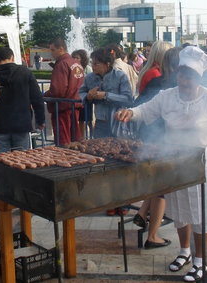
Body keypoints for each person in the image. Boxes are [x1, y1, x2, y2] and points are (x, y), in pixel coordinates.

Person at [115, 46, 207, 282]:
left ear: (198, 78)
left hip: (203, 162)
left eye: (189, 76)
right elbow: (144, 110)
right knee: (180, 210)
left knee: (202, 213)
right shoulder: (167, 96)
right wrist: (129, 113)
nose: (184, 80)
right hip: (175, 160)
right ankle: (184, 252)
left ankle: (201, 261)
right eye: (181, 75)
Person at [132, 47, 182, 249]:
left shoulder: (154, 79)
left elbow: (139, 104)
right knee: (163, 187)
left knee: (157, 185)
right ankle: (152, 236)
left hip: (149, 138)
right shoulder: (171, 86)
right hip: (162, 143)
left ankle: (142, 213)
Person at [79, 47, 133, 216]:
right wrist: (88, 96)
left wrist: (106, 95)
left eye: (97, 64)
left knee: (122, 163)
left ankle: (124, 202)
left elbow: (128, 99)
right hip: (101, 124)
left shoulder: (120, 76)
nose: (93, 66)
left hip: (119, 124)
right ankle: (109, 200)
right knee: (104, 162)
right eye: (92, 63)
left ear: (107, 64)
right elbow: (80, 94)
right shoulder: (90, 78)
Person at [0, 47, 45, 152]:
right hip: (21, 124)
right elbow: (37, 98)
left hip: (0, 123)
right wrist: (40, 120)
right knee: (21, 160)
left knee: (2, 161)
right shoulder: (25, 72)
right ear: (12, 57)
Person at [44, 38, 84, 146]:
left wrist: (45, 95)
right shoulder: (76, 63)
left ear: (61, 49)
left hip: (62, 107)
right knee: (75, 141)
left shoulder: (62, 64)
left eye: (52, 50)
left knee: (64, 143)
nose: (51, 53)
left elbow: (58, 90)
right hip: (75, 105)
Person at [71, 49, 93, 139]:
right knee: (81, 120)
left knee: (88, 120)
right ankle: (82, 138)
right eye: (74, 58)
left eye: (78, 58)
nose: (75, 59)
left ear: (83, 59)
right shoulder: (74, 68)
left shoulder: (87, 68)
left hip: (86, 97)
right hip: (78, 97)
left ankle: (92, 136)